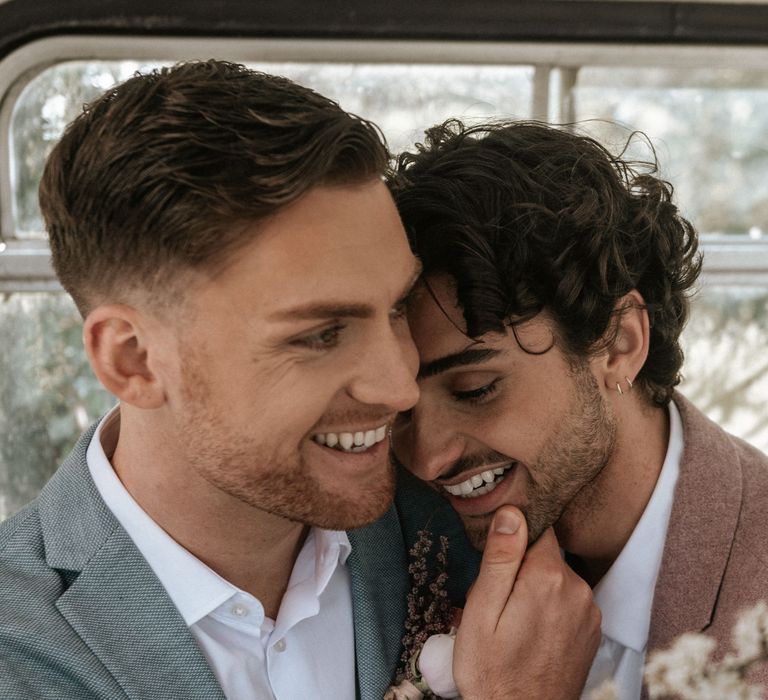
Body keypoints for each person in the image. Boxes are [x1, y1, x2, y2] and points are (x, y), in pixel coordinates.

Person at [0, 63, 599, 700]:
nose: (399, 388)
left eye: (395, 309)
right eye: (320, 335)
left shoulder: (470, 531)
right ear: (134, 361)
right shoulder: (18, 648)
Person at [390, 119, 768, 699]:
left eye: (475, 390)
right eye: (402, 411)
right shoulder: (399, 552)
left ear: (620, 345)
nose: (425, 458)